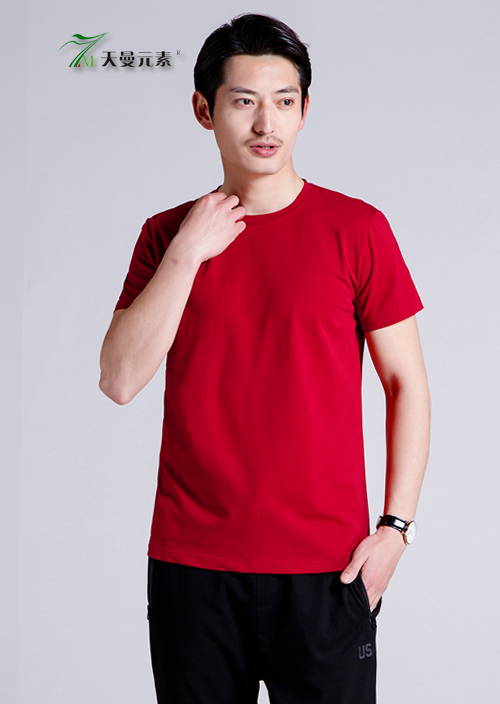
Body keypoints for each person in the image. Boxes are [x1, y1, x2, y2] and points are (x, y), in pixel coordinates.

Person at [99, 13, 431, 704]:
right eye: (244, 101)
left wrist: (395, 531)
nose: (265, 123)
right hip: (194, 566)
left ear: (305, 110)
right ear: (204, 109)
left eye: (283, 101)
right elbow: (120, 379)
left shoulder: (357, 230)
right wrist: (189, 252)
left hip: (328, 569)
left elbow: (406, 383)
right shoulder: (165, 235)